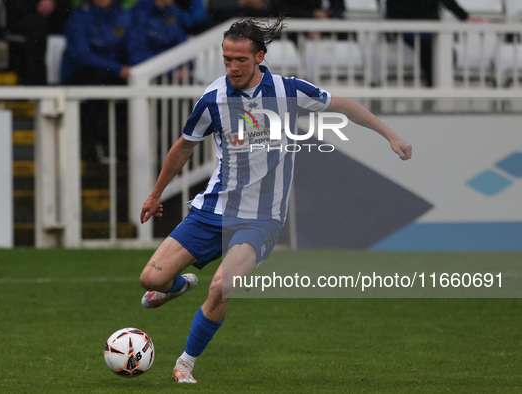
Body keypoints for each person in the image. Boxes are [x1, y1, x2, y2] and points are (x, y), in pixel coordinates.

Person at [138, 16, 413, 384]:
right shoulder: (213, 99)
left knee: (222, 286)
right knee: (150, 280)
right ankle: (179, 286)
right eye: (227, 59)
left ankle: (185, 362)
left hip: (261, 218)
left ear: (260, 57)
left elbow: (344, 105)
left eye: (240, 60)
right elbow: (184, 146)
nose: (232, 67)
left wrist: (391, 136)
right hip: (213, 210)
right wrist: (156, 193)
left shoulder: (289, 91)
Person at [60, 0, 150, 162]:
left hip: (115, 76)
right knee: (98, 82)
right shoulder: (79, 16)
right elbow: (82, 56)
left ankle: (130, 148)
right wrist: (117, 69)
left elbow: (134, 49)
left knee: (138, 86)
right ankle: (102, 145)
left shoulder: (124, 16)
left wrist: (136, 69)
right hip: (81, 77)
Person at [385, 0, 486, 87]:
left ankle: (433, 89)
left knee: (435, 55)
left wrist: (466, 17)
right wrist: (465, 17)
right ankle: (433, 89)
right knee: (431, 54)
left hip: (424, 31)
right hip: (413, 30)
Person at [5, 0, 72, 85]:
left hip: (55, 16)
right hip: (24, 17)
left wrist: (54, 2)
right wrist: (37, 6)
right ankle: (37, 84)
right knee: (37, 27)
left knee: (73, 24)